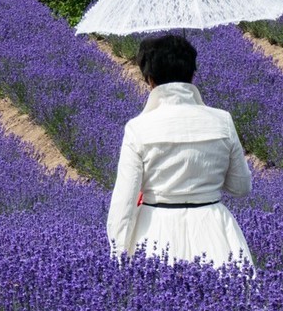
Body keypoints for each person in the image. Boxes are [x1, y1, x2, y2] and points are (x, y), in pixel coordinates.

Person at [106, 32, 254, 269]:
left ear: (150, 79)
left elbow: (124, 204)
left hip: (156, 234)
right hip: (214, 231)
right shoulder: (222, 121)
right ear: (192, 74)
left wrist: (119, 257)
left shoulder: (138, 128)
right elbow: (241, 187)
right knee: (230, 302)